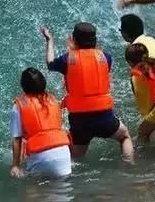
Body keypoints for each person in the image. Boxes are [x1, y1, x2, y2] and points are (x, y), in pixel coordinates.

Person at [41, 23, 134, 162]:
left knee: (77, 156)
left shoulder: (67, 59)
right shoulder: (106, 58)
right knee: (124, 136)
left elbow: (50, 63)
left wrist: (49, 40)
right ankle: (130, 165)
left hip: (80, 121)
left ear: (74, 39)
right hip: (104, 117)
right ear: (95, 40)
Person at [9, 68, 72, 179]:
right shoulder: (53, 100)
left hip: (42, 160)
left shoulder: (18, 106)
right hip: (64, 158)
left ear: (23, 86)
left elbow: (17, 139)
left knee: (32, 190)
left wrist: (15, 166)